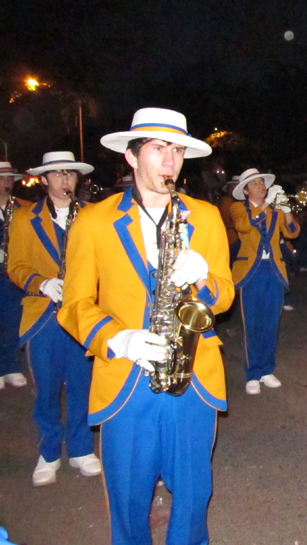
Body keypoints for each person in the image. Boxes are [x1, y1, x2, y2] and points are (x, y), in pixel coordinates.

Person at [57, 108, 235, 544]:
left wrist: (202, 280)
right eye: (158, 149)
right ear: (132, 157)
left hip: (192, 377)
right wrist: (117, 337)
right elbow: (75, 303)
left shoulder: (205, 217)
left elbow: (225, 293)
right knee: (128, 499)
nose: (170, 160)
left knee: (194, 493)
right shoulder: (94, 221)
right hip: (127, 378)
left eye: (176, 150)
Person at [7, 152, 100, 486]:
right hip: (43, 315)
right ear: (44, 180)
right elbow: (16, 266)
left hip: (83, 313)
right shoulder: (24, 218)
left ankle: (80, 448)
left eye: (70, 175)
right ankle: (48, 452)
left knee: (82, 385)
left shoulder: (92, 215)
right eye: (57, 175)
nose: (64, 181)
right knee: (45, 389)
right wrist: (42, 283)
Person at [230, 168, 299, 394]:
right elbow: (244, 225)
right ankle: (252, 373)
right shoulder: (238, 208)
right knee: (252, 324)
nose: (261, 186)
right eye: (256, 183)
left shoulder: (273, 210)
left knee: (271, 324)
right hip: (251, 271)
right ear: (246, 189)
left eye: (262, 182)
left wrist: (286, 210)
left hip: (274, 270)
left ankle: (267, 370)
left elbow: (291, 232)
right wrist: (267, 204)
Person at [0, 162, 29, 390]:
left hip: (12, 273)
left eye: (10, 178)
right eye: (2, 178)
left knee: (13, 322)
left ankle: (10, 366)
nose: (7, 182)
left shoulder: (24, 207)